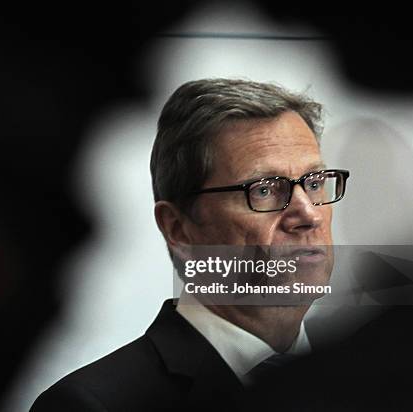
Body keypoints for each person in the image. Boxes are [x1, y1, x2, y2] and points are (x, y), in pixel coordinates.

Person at [31, 78, 350, 411]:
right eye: (264, 190)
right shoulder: (93, 405)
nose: (308, 215)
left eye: (314, 183)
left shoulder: (373, 380)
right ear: (179, 228)